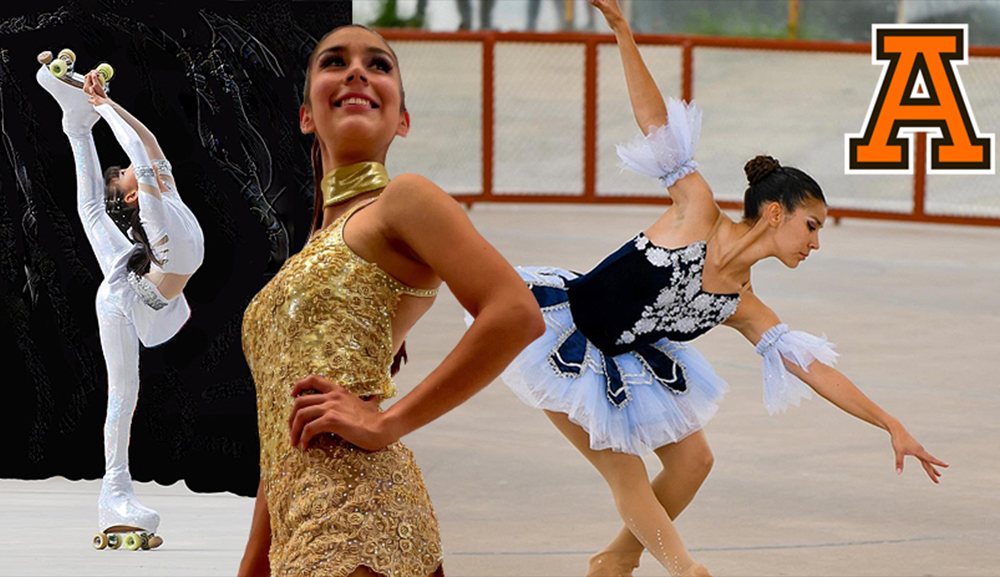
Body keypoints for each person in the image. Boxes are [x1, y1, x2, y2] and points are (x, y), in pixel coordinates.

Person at [500, 1, 949, 575]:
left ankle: (613, 561)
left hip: (631, 360)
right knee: (625, 468)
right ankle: (686, 570)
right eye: (810, 226)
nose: (814, 243)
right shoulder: (697, 210)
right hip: (563, 339)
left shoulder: (741, 303)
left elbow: (816, 370)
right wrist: (622, 30)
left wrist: (892, 423)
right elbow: (654, 119)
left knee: (693, 462)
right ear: (772, 213)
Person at [237, 25, 544, 577]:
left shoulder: (403, 200)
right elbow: (280, 430)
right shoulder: (305, 257)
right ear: (307, 114)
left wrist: (387, 422)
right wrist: (253, 563)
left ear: (402, 120)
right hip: (300, 537)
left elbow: (516, 313)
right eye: (335, 61)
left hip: (363, 524)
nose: (357, 70)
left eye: (379, 66)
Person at [36, 61, 204, 549]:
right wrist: (101, 103)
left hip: (141, 279)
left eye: (128, 173)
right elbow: (134, 151)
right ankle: (114, 490)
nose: (131, 168)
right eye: (128, 177)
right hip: (123, 302)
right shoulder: (150, 205)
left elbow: (145, 142)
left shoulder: (161, 192)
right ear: (133, 195)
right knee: (123, 391)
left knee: (91, 212)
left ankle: (74, 124)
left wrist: (105, 103)